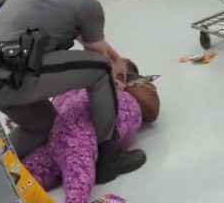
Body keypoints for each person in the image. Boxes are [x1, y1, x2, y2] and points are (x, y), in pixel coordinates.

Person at [0, 0, 147, 183]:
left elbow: (84, 37)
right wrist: (113, 67)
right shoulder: (89, 5)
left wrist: (116, 56)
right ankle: (109, 160)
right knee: (101, 70)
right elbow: (96, 55)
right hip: (15, 76)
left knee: (44, 125)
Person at [21, 59, 159, 203]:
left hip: (78, 131)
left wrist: (125, 83)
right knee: (21, 179)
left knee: (76, 164)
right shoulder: (76, 86)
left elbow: (151, 109)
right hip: (58, 138)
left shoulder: (123, 95)